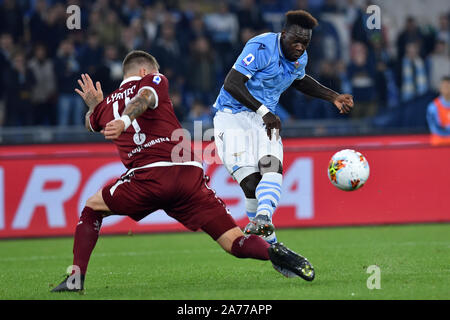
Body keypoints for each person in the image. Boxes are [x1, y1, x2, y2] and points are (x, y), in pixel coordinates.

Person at [51, 50, 315, 292]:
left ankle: (76, 279)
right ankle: (275, 252)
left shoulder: (107, 106)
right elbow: (145, 97)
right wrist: (114, 116)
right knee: (234, 241)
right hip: (189, 176)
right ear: (146, 71)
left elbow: (93, 122)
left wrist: (96, 108)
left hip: (148, 177)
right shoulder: (154, 80)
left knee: (92, 208)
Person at [212, 10, 353, 244]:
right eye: (295, 41)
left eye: (305, 43)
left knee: (271, 166)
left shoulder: (301, 57)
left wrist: (333, 96)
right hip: (232, 116)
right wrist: (264, 111)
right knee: (251, 184)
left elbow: (300, 80)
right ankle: (274, 247)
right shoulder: (260, 47)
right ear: (283, 34)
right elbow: (232, 83)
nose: (300, 47)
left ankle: (264, 218)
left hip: (264, 119)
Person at [426, 76, 450, 146]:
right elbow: (435, 128)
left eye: (448, 86)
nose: (447, 89)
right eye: (445, 86)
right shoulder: (433, 107)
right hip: (439, 144)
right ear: (440, 88)